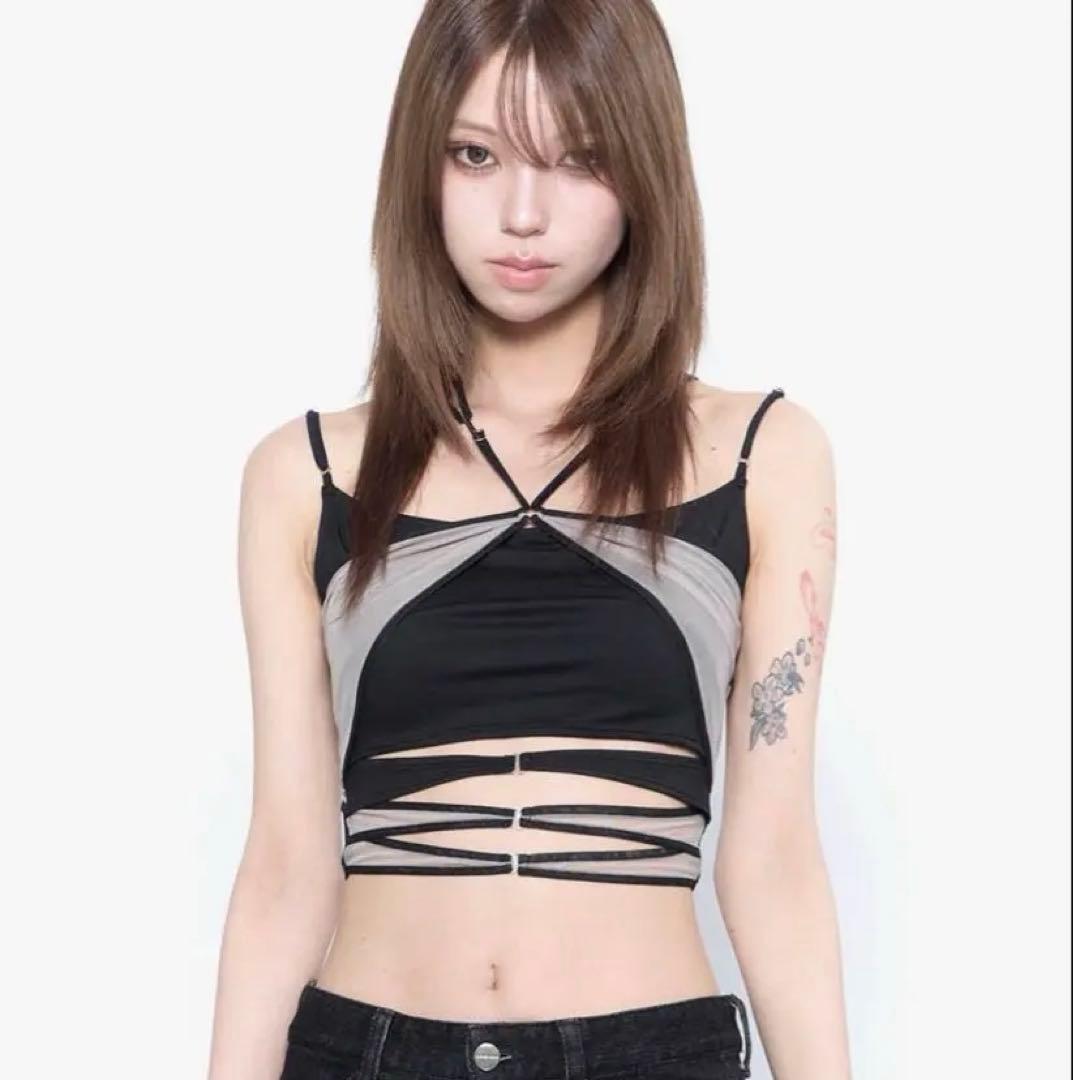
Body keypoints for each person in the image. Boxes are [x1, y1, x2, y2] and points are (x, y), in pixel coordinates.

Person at [208, 2, 849, 1078]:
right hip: (366, 1051)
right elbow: (284, 864)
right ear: (419, 165)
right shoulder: (307, 476)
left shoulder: (758, 457)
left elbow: (774, 861)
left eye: (577, 160)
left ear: (643, 172)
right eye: (475, 154)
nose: (520, 214)